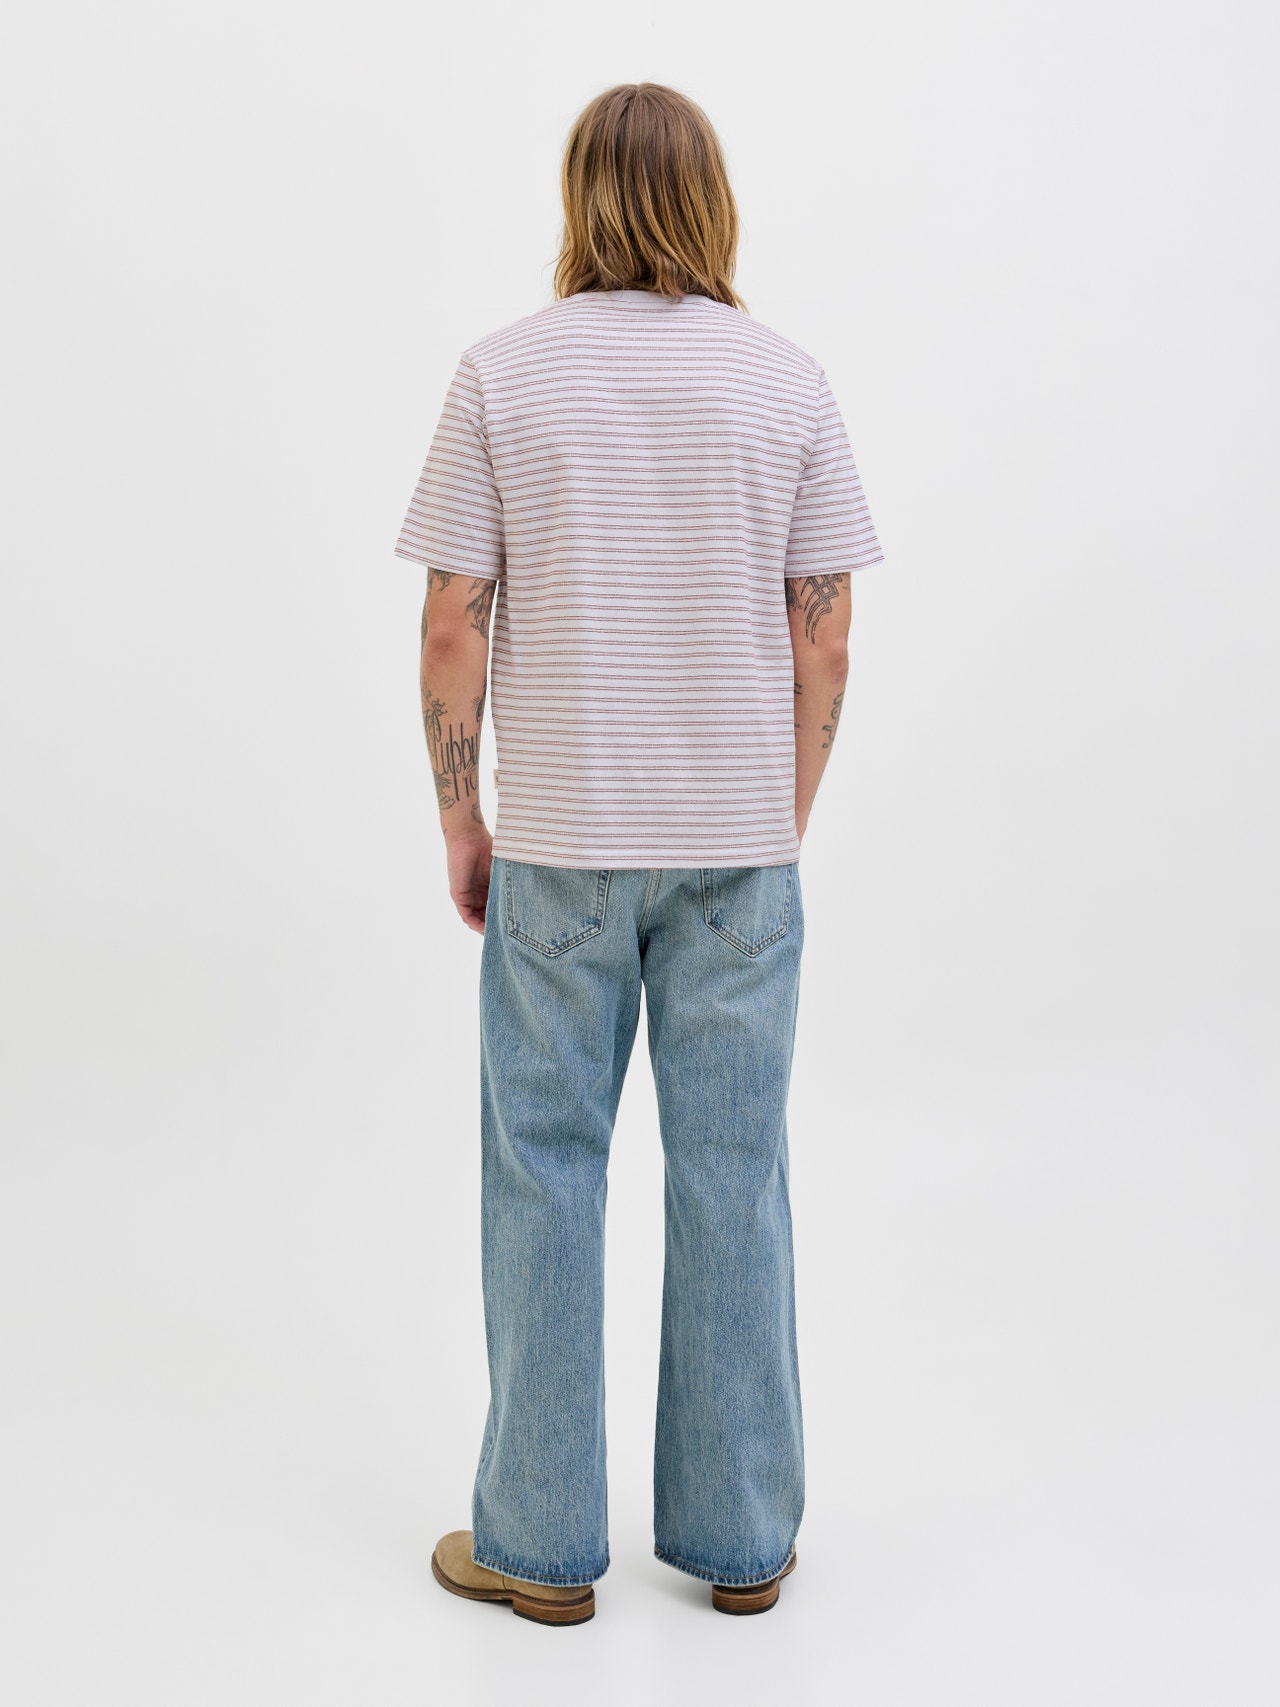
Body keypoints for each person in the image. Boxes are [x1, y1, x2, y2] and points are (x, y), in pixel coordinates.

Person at [395, 82, 884, 1626]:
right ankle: (742, 1544)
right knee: (735, 1176)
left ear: (579, 196)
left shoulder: (504, 373)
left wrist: (463, 819)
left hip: (559, 849)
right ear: (713, 199)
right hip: (739, 857)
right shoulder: (788, 381)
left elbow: (453, 620)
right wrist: (776, 816)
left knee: (544, 1174)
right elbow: (826, 641)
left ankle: (538, 1550)